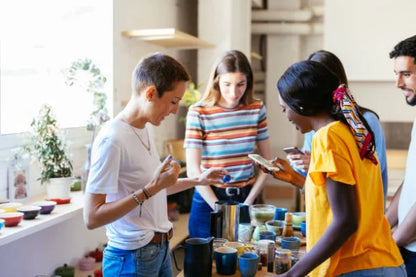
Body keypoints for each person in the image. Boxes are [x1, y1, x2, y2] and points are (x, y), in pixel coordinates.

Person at [83, 53, 228, 277]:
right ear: (150, 93)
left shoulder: (146, 128)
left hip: (158, 251)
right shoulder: (112, 139)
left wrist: (198, 180)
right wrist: (151, 189)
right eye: (173, 101)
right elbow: (92, 217)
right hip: (130, 258)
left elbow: (157, 189)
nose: (174, 110)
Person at [265, 60, 405, 276]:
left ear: (300, 106)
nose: (286, 116)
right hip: (383, 262)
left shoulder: (327, 138)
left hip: (358, 267)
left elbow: (346, 222)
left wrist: (293, 274)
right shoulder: (352, 131)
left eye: (285, 109)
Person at [184, 50, 273, 238]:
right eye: (227, 84)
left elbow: (268, 162)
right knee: (204, 264)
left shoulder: (256, 108)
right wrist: (218, 207)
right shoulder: (198, 112)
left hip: (245, 198)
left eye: (241, 84)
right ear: (216, 81)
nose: (234, 93)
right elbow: (193, 170)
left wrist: (248, 202)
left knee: (241, 259)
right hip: (208, 198)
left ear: (248, 81)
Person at [286, 50, 389, 206]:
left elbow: (371, 174)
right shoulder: (314, 127)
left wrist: (315, 165)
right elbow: (314, 180)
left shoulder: (364, 122)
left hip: (364, 212)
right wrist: (297, 166)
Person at [386, 34, 416, 277]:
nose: (398, 83)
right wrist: (384, 226)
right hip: (406, 243)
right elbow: (411, 181)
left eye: (405, 74)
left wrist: (393, 241)